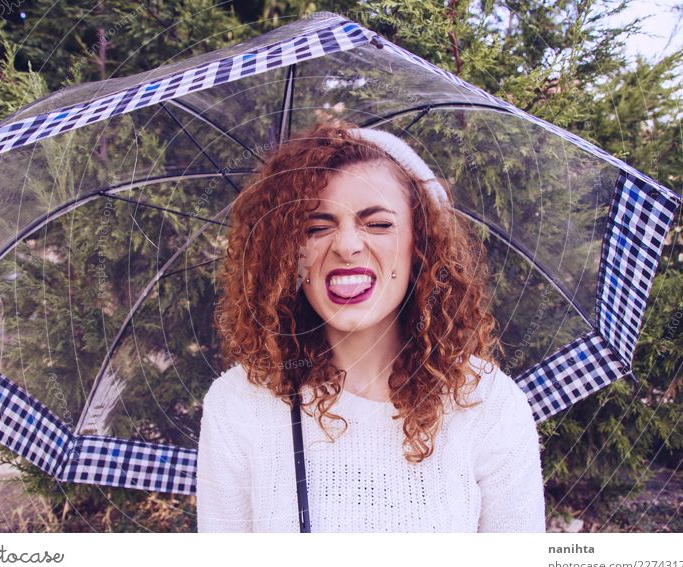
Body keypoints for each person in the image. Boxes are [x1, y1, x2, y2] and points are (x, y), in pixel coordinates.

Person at [196, 120, 545, 533]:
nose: (346, 246)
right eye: (317, 226)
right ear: (293, 253)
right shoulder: (238, 406)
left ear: (420, 244)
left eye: (378, 224)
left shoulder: (487, 405)